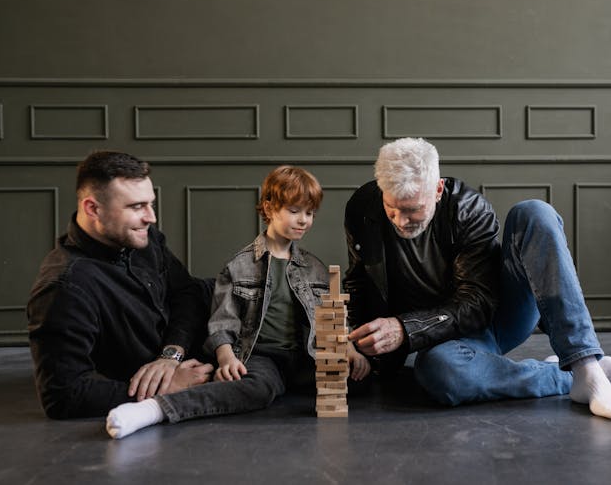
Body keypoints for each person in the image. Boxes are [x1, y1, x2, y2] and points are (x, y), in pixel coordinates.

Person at [345, 137, 611, 420]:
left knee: (535, 212)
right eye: (391, 208)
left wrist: (406, 329)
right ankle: (565, 376)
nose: (400, 221)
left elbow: (477, 303)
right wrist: (352, 341)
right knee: (440, 371)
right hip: (436, 344)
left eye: (412, 210)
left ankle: (587, 368)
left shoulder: (468, 208)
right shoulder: (363, 208)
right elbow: (359, 279)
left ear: (437, 189)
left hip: (492, 319)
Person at [106, 165, 371, 439]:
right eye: (294, 211)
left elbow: (332, 315)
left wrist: (348, 348)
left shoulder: (313, 267)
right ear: (269, 209)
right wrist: (227, 358)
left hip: (304, 356)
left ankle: (284, 384)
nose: (303, 220)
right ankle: (156, 409)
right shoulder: (241, 266)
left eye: (310, 213)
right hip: (261, 355)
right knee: (258, 388)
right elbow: (223, 321)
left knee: (359, 379)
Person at [27, 150, 214, 419]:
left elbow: (186, 293)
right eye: (136, 206)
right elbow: (63, 395)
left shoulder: (142, 237)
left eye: (151, 204)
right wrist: (166, 387)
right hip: (199, 364)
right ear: (92, 208)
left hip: (199, 341)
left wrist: (171, 355)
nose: (151, 217)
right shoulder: (64, 286)